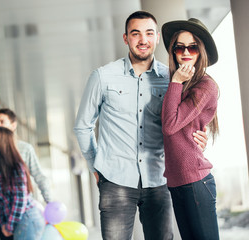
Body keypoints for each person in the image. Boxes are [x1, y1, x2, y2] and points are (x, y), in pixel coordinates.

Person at [73, 11, 208, 240]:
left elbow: (182, 124)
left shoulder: (172, 79)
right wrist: (95, 165)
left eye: (148, 33)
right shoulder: (103, 77)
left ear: (156, 38)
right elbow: (82, 126)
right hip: (115, 180)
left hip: (159, 179)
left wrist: (198, 141)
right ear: (126, 38)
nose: (142, 40)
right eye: (135, 33)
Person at [161, 18, 220, 239]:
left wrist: (176, 81)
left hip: (195, 181)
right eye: (180, 47)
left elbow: (169, 125)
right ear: (173, 51)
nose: (186, 52)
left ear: (200, 51)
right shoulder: (177, 85)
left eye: (192, 47)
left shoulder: (205, 85)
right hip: (177, 181)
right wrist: (176, 82)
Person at [0, 108, 51, 239]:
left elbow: (21, 196)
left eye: (2, 121)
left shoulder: (21, 154)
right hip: (8, 219)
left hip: (21, 217)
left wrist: (50, 205)